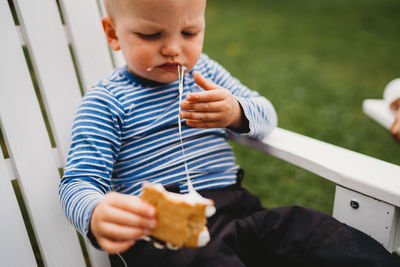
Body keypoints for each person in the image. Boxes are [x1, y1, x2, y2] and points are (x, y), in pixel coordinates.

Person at [58, 0, 400, 266]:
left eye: (189, 33)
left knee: (306, 228)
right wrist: (96, 212)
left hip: (237, 209)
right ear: (114, 33)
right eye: (151, 35)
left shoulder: (204, 71)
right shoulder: (106, 102)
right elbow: (77, 182)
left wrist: (236, 112)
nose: (174, 48)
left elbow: (267, 114)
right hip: (166, 238)